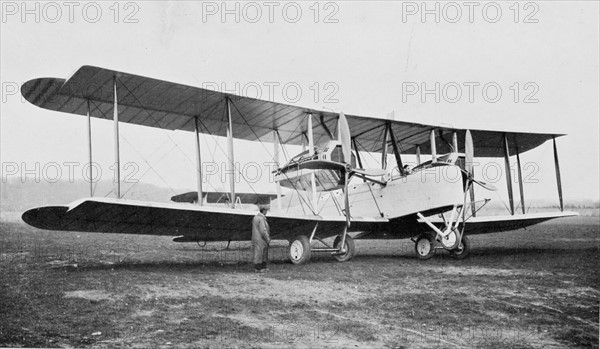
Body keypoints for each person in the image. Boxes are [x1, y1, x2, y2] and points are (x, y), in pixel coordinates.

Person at [252, 205, 270, 272]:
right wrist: (267, 238)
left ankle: (259, 267)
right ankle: (259, 268)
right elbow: (263, 231)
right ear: (264, 211)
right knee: (261, 253)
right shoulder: (261, 218)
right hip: (261, 239)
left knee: (258, 253)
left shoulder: (255, 218)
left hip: (256, 238)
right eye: (266, 210)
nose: (267, 212)